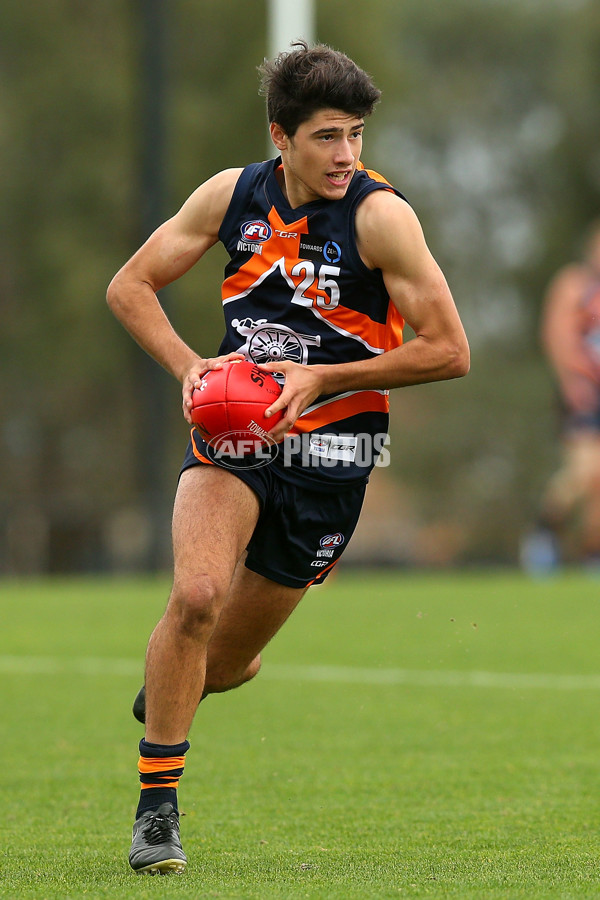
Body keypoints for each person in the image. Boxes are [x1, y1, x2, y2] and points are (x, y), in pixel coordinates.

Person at [107, 41, 469, 875]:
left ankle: (183, 680)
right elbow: (130, 284)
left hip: (338, 456)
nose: (347, 155)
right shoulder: (234, 197)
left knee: (225, 660)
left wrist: (325, 377)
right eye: (327, 137)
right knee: (194, 596)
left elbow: (450, 351)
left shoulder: (382, 219)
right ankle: (157, 811)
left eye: (356, 136)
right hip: (235, 437)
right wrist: (190, 366)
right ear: (282, 135)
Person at [526, 220, 600, 570]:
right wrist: (572, 383)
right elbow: (556, 334)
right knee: (584, 471)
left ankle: (592, 553)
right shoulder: (574, 284)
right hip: (583, 392)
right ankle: (544, 530)